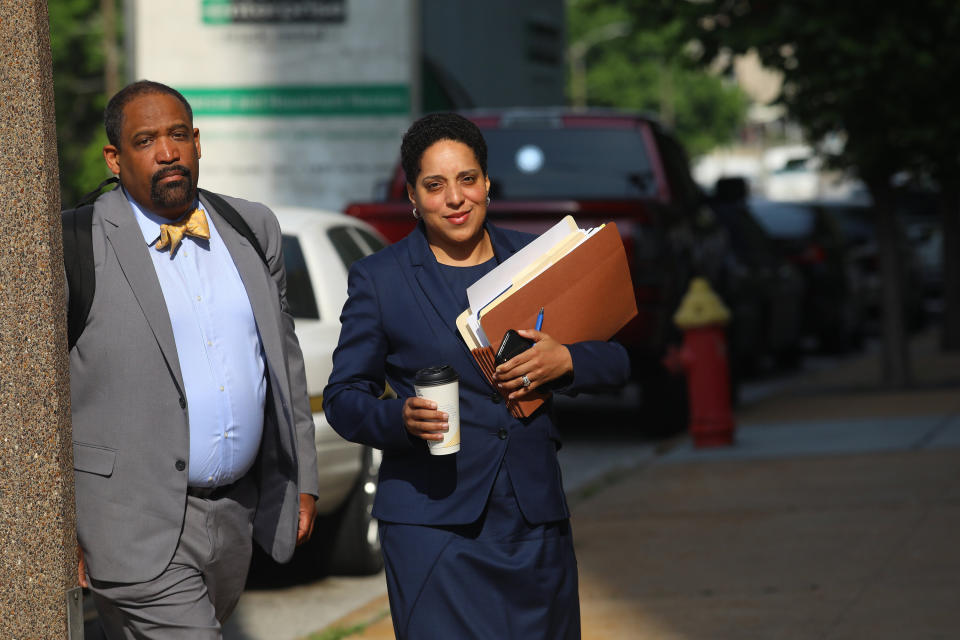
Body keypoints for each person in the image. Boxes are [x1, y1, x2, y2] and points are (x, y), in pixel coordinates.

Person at [323, 112, 631, 639]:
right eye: (435, 185)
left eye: (467, 179)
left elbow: (619, 361)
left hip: (532, 520)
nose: (455, 198)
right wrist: (400, 417)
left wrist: (568, 362)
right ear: (414, 199)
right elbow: (343, 398)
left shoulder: (537, 258)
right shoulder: (381, 279)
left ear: (487, 182)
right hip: (431, 525)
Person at [69, 80, 318, 638]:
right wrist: (57, 526)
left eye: (178, 135)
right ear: (115, 157)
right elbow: (34, 396)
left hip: (233, 516)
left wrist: (302, 473)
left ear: (198, 142)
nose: (167, 151)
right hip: (129, 520)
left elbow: (284, 361)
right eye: (145, 140)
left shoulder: (253, 228)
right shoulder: (74, 242)